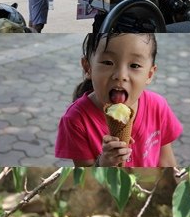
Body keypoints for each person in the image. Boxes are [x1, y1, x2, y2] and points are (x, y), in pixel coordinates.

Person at [55, 33, 181, 167]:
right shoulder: (75, 120)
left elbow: (167, 162)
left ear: (149, 74)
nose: (121, 76)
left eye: (134, 65)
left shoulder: (157, 106)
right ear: (88, 68)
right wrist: (103, 163)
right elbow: (86, 180)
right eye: (108, 62)